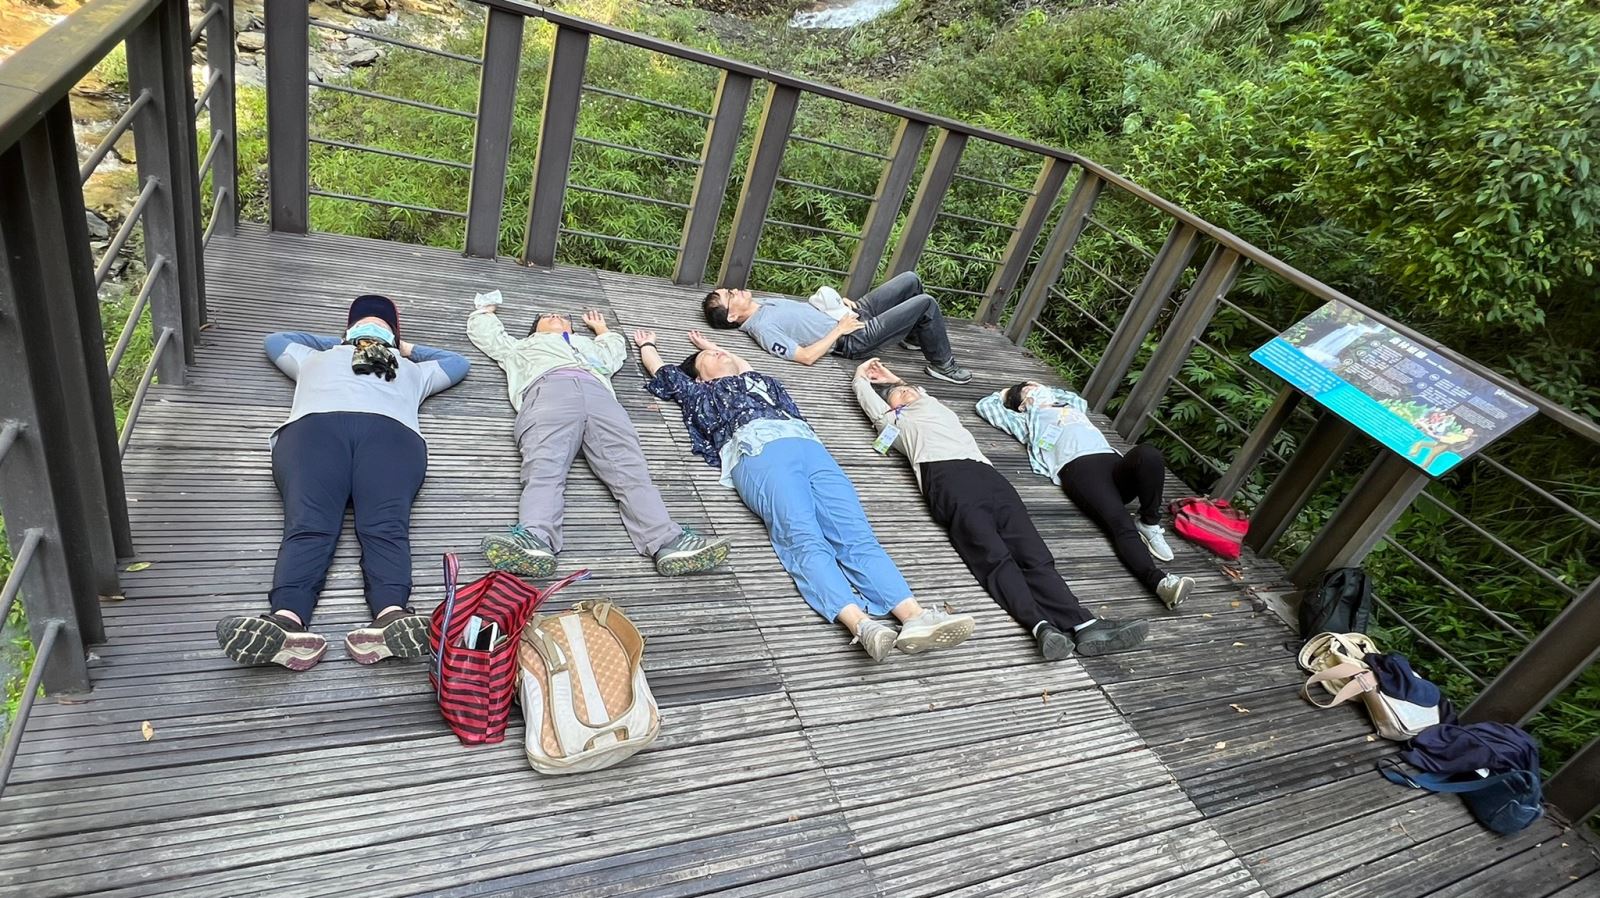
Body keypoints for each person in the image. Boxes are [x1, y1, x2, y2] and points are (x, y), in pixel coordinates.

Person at [637, 327, 976, 661]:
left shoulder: (760, 382)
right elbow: (662, 370)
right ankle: (861, 625)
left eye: (721, 351)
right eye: (709, 357)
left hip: (811, 448)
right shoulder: (700, 393)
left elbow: (741, 365)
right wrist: (648, 344)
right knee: (802, 536)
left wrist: (710, 346)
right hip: (757, 452)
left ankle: (914, 617)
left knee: (856, 535)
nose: (719, 353)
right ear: (699, 378)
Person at [217, 294, 470, 670]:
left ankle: (380, 617)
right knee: (343, 527)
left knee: (341, 527)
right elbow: (274, 339)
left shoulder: (378, 363)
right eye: (366, 324)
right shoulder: (385, 365)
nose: (373, 329)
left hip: (334, 432)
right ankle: (293, 622)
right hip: (365, 434)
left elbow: (458, 362)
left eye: (381, 324)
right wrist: (360, 344)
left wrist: (393, 346)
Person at [851, 360, 1148, 659]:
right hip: (946, 480)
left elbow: (919, 390)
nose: (907, 394)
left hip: (989, 476)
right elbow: (869, 401)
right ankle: (1040, 626)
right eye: (898, 396)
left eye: (908, 390)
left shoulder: (934, 406)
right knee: (994, 557)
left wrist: (892, 378)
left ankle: (1084, 623)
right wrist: (861, 377)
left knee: (1034, 554)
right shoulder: (894, 423)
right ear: (890, 408)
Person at [465, 292, 730, 578]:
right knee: (544, 466)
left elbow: (615, 350)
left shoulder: (588, 346)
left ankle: (668, 540)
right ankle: (536, 537)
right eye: (547, 317)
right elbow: (488, 335)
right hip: (548, 391)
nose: (556, 317)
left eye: (563, 317)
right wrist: (486, 310)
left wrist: (601, 329)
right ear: (534, 329)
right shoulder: (522, 346)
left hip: (599, 396)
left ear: (572, 328)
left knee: (630, 470)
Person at [977, 381, 1196, 611]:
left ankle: (1149, 521)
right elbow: (986, 406)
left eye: (1037, 385)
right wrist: (1012, 395)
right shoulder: (1025, 421)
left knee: (1149, 454)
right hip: (1079, 470)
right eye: (1029, 389)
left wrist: (1043, 393)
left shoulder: (1071, 406)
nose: (1037, 388)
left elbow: (1076, 398)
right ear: (1021, 404)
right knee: (1120, 524)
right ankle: (1160, 583)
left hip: (1111, 461)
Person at [700, 271, 973, 384]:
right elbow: (806, 357)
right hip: (852, 337)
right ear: (733, 317)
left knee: (910, 280)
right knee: (925, 303)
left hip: (846, 314)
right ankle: (943, 365)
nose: (736, 290)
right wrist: (839, 330)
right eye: (730, 295)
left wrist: (835, 306)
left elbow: (802, 316)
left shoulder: (761, 303)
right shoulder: (762, 329)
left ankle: (915, 335)